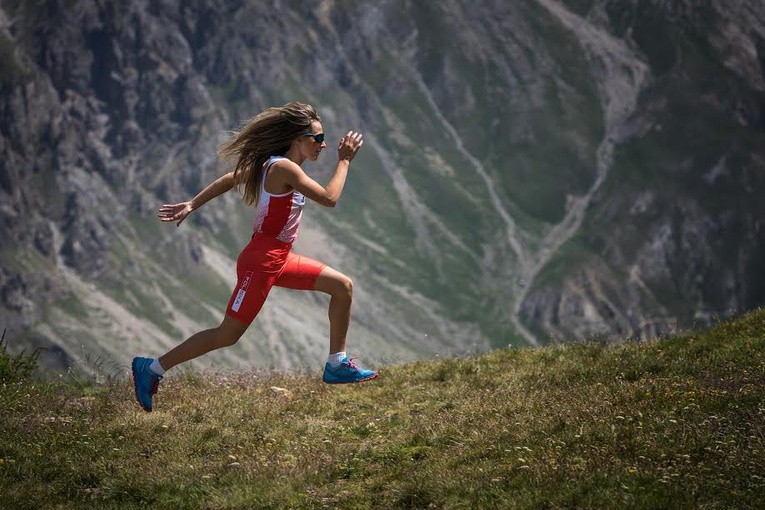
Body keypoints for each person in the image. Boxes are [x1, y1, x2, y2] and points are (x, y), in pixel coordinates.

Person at [131, 101, 378, 412]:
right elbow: (329, 198)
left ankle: (336, 364)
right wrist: (344, 161)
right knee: (227, 334)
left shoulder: (272, 165)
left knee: (342, 287)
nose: (323, 144)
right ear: (298, 139)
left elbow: (230, 179)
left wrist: (193, 203)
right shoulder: (284, 167)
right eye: (317, 138)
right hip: (261, 261)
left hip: (280, 257)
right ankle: (151, 368)